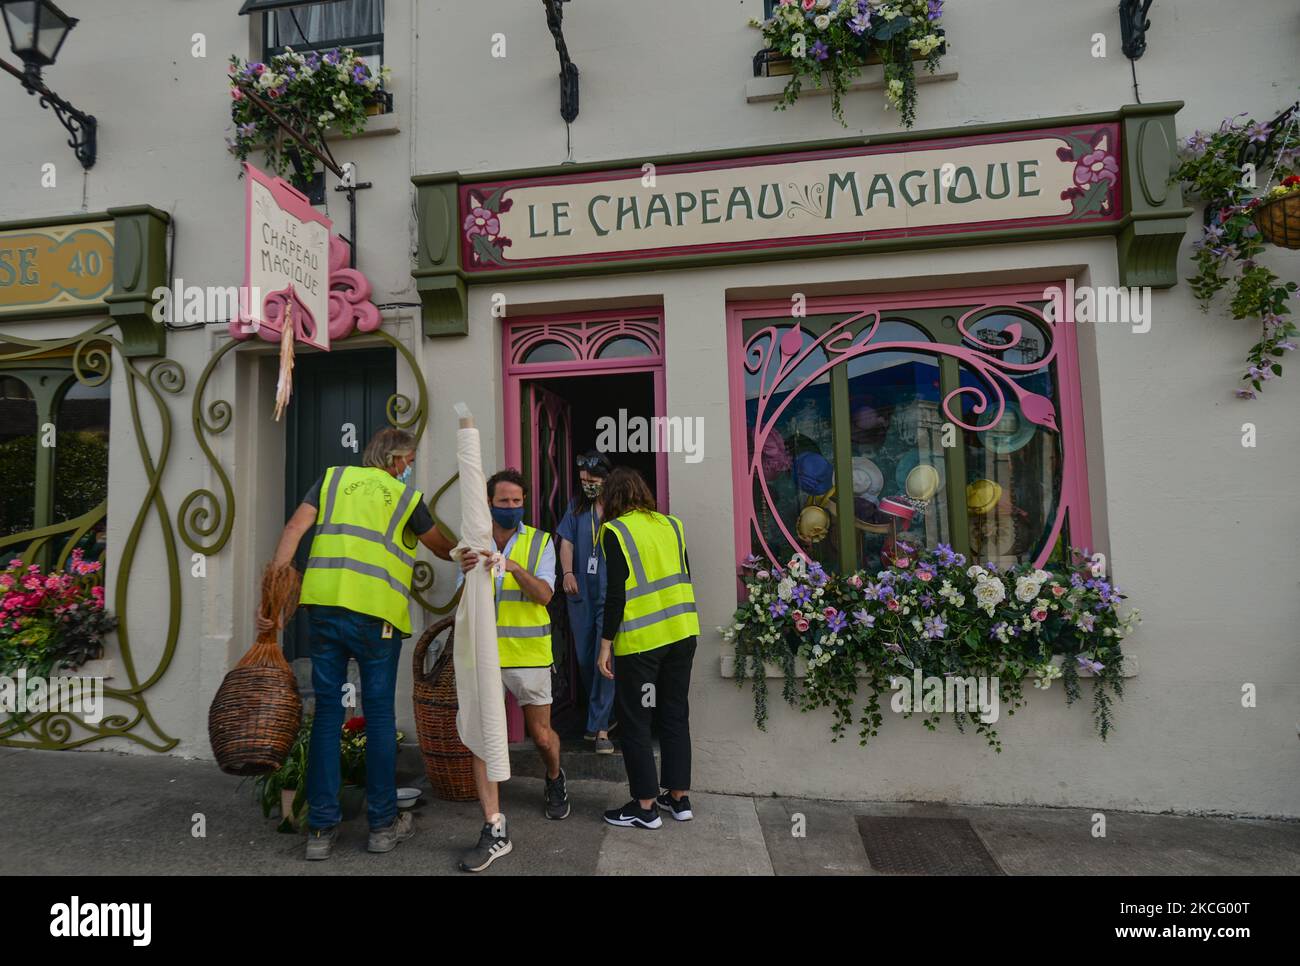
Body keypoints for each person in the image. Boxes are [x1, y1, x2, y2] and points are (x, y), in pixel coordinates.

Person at [259, 428, 455, 861]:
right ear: (398, 459)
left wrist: (273, 596)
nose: (410, 467)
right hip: (376, 616)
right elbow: (441, 547)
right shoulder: (407, 499)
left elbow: (295, 528)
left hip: (324, 609)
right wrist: (470, 552)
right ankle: (382, 826)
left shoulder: (331, 480)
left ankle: (321, 831)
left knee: (328, 716)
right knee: (380, 715)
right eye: (409, 459)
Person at [456, 468, 567, 873]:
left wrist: (515, 568)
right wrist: (468, 569)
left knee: (540, 735)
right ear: (488, 502)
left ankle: (554, 776)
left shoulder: (541, 542)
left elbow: (545, 595)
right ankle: (494, 827)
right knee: (485, 737)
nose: (510, 508)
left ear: (524, 503)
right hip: (484, 656)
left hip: (529, 654)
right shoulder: (473, 542)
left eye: (516, 502)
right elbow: (461, 597)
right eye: (503, 502)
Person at [597, 467, 699, 829]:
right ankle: (679, 799)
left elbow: (616, 593)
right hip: (683, 632)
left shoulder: (615, 531)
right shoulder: (672, 525)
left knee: (636, 721)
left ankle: (644, 807)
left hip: (641, 642)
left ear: (610, 498)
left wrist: (605, 644)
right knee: (674, 713)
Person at [557, 451, 616, 753]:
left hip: (610, 591)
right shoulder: (576, 507)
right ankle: (606, 713)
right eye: (582, 481)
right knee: (585, 658)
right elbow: (566, 540)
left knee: (605, 659)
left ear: (606, 479)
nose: (587, 486)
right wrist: (567, 572)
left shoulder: (619, 508)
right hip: (581, 590)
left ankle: (600, 727)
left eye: (592, 481)